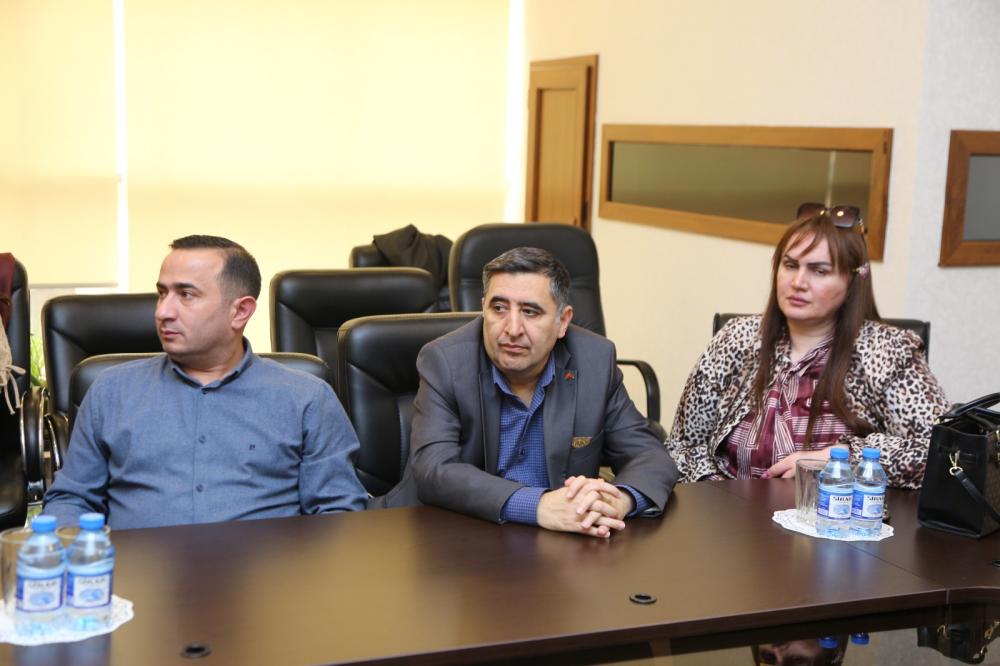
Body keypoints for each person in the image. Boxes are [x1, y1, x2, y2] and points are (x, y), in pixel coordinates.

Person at [43, 235, 368, 529]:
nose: (163, 312)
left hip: (270, 573)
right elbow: (72, 500)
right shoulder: (110, 390)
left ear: (240, 312)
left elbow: (337, 514)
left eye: (186, 295)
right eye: (162, 293)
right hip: (133, 572)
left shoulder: (307, 399)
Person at [376, 246, 678, 538]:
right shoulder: (445, 361)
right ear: (483, 308)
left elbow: (650, 456)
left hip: (553, 544)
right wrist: (537, 505)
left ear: (562, 321)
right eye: (498, 308)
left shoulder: (595, 361)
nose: (512, 329)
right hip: (443, 536)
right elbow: (433, 470)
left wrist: (619, 500)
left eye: (530, 312)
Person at [667, 204, 950, 489]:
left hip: (839, 512)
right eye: (790, 265)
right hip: (730, 511)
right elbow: (682, 448)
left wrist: (841, 458)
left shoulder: (887, 352)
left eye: (819, 271)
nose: (798, 282)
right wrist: (721, 494)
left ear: (853, 280)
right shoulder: (736, 338)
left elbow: (943, 453)